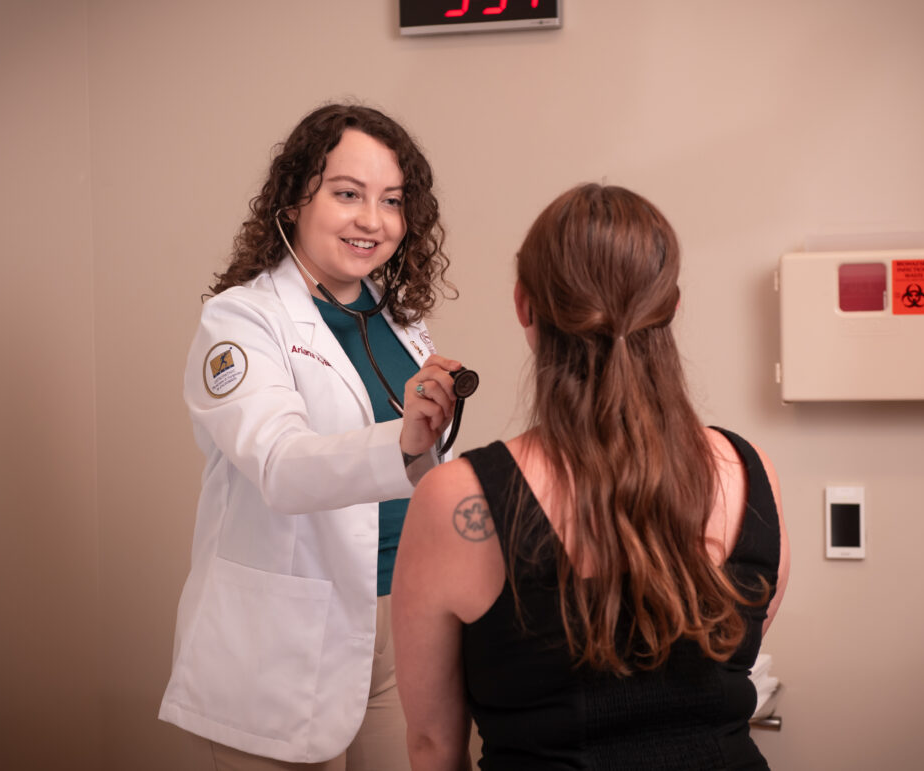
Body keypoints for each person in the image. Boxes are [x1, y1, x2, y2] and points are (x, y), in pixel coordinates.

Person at [392, 183, 791, 770]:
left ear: (524, 306)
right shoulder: (750, 471)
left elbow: (433, 744)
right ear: (672, 306)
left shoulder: (457, 498)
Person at [159, 103, 465, 770]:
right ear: (294, 199)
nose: (372, 220)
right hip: (286, 637)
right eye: (347, 194)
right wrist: (404, 440)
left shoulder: (400, 320)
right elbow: (279, 463)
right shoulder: (240, 321)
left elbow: (422, 468)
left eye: (391, 200)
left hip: (403, 615)